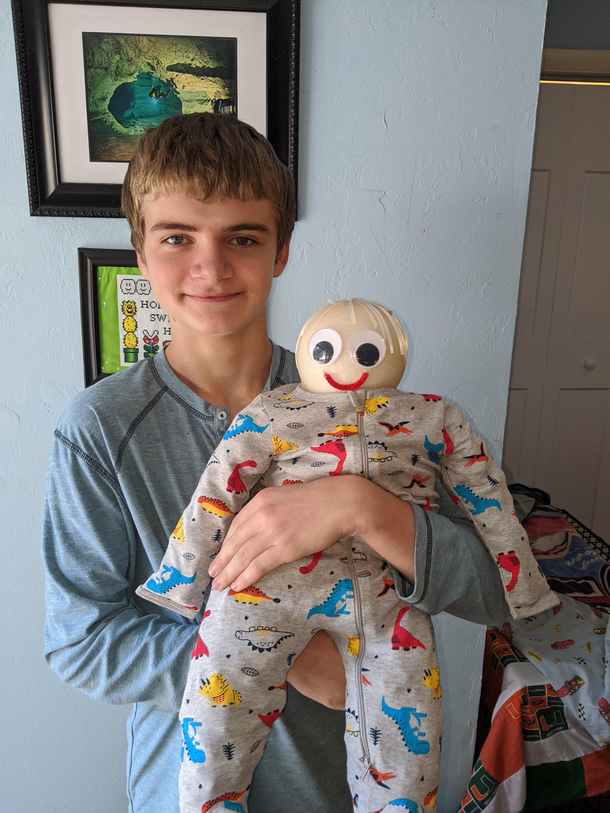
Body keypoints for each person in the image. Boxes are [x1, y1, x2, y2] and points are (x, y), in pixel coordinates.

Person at [42, 112, 510, 813]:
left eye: (243, 237)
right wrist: (278, 657)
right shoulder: (100, 428)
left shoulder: (378, 412)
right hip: (179, 789)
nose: (210, 266)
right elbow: (81, 639)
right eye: (177, 238)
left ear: (281, 250)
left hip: (338, 789)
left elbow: (494, 588)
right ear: (141, 252)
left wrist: (364, 507)